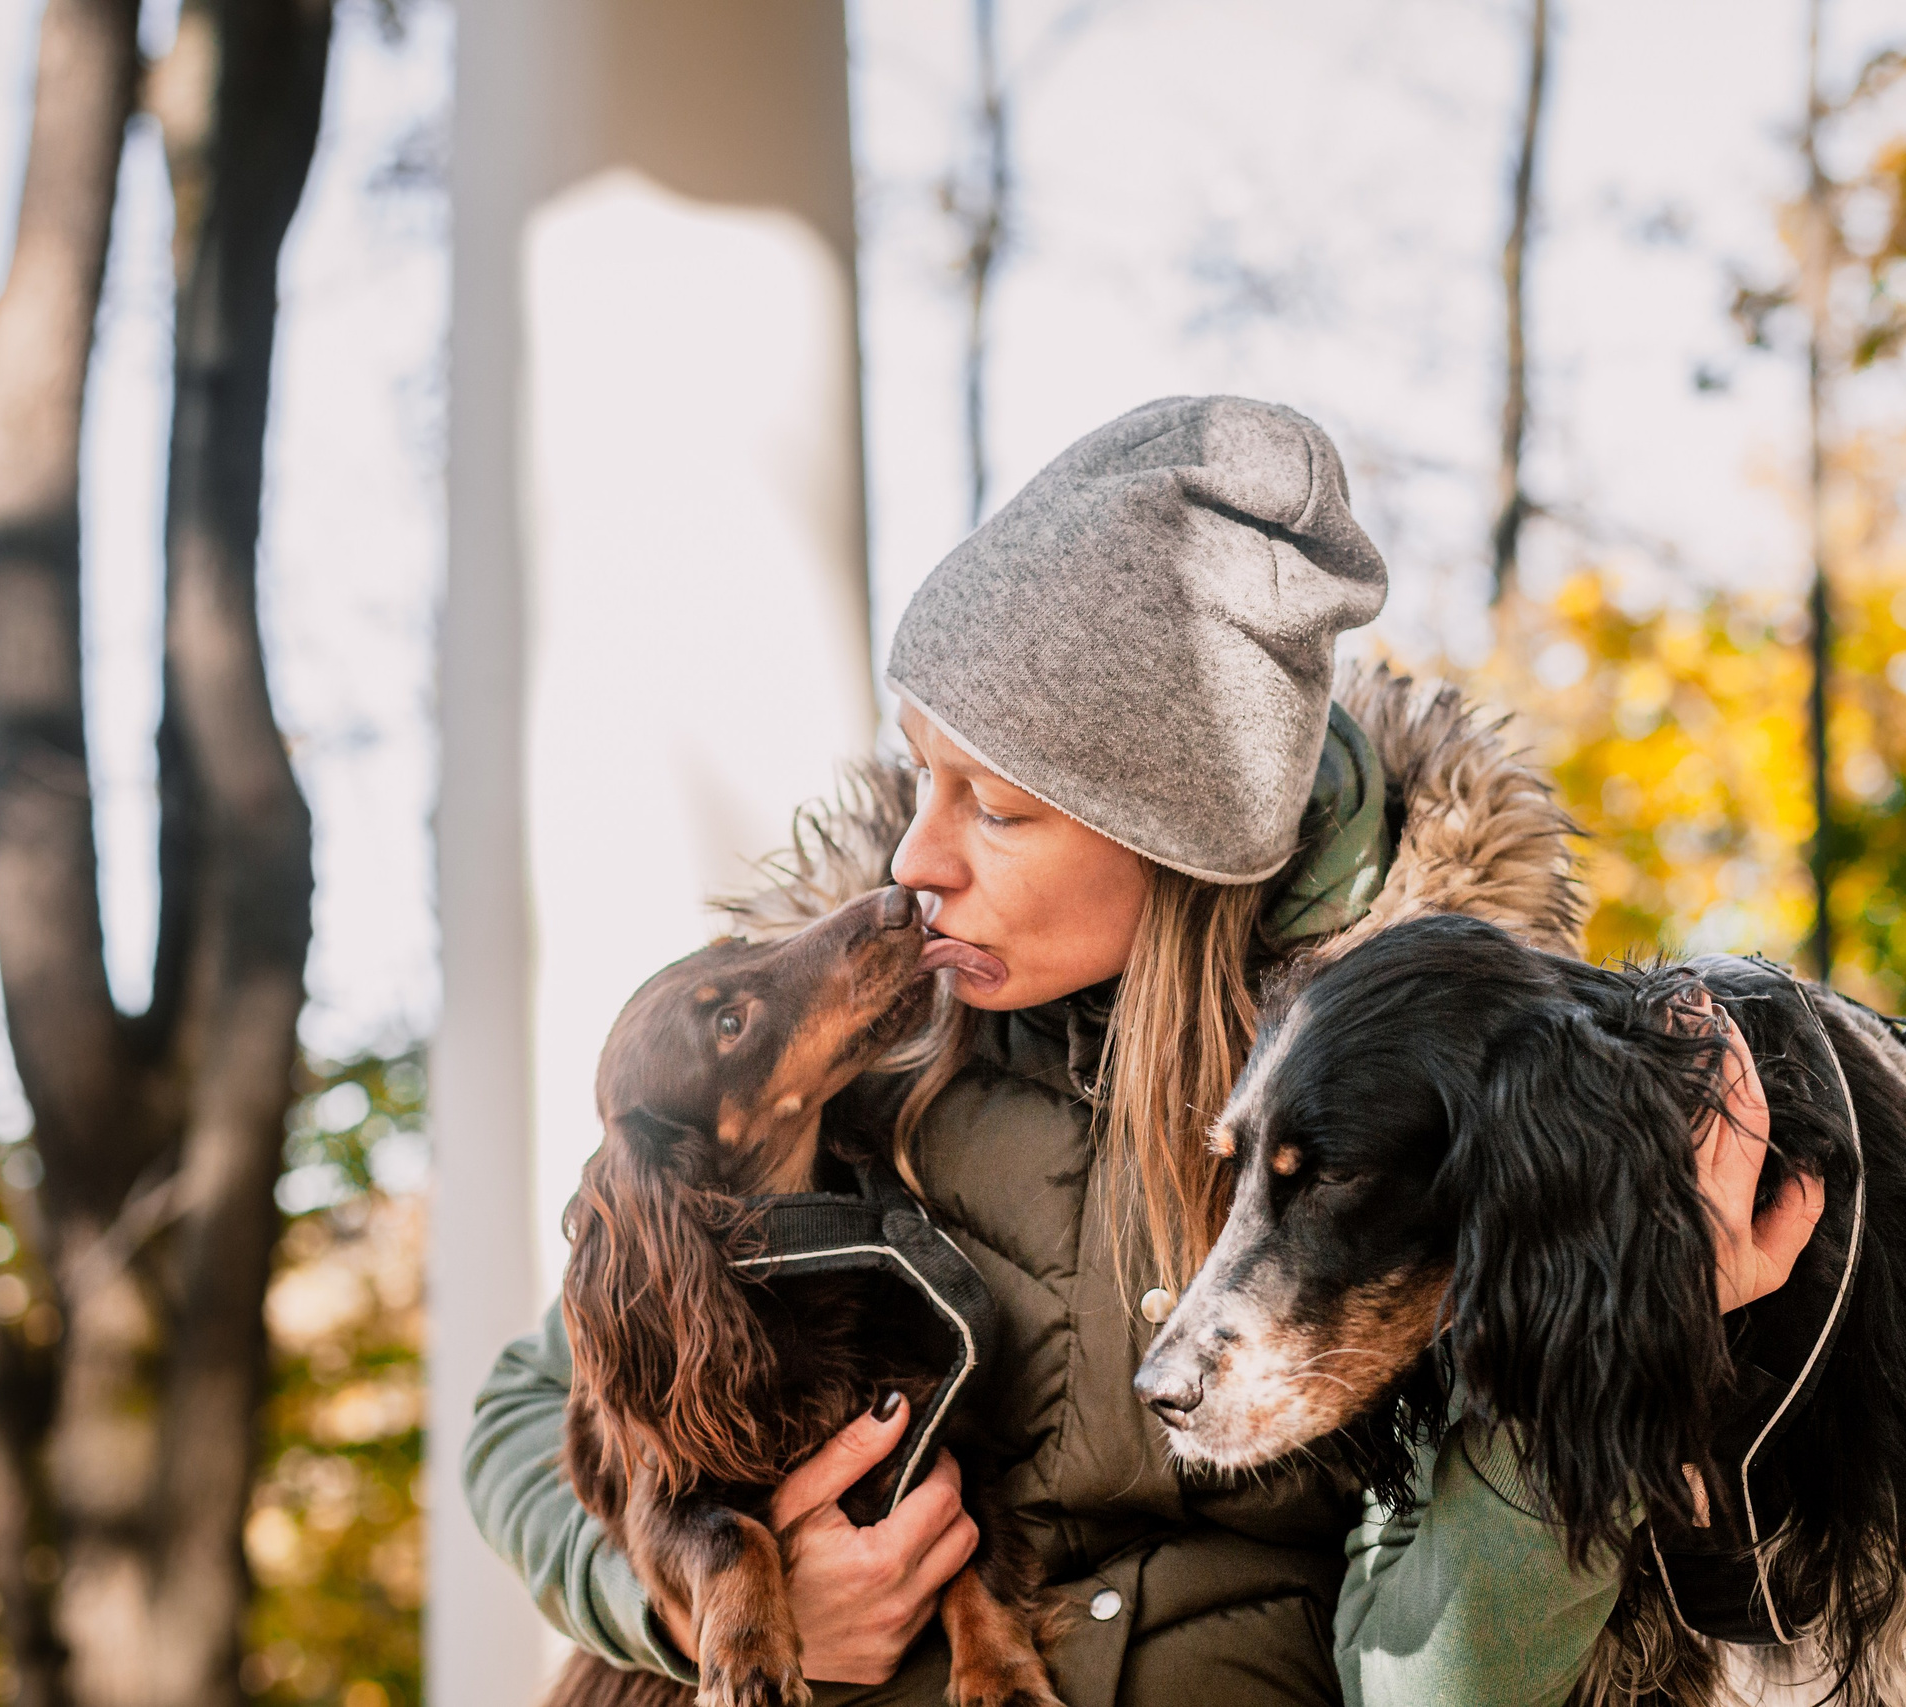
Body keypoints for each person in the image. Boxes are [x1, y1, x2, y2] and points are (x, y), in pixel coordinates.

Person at [464, 396, 1822, 1706]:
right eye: (920, 778)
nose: (913, 861)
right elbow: (532, 1415)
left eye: (992, 808)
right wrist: (695, 1603)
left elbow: (1444, 1684)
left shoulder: (1451, 1101)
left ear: (1174, 835)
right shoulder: (854, 1064)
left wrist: (1613, 1319)